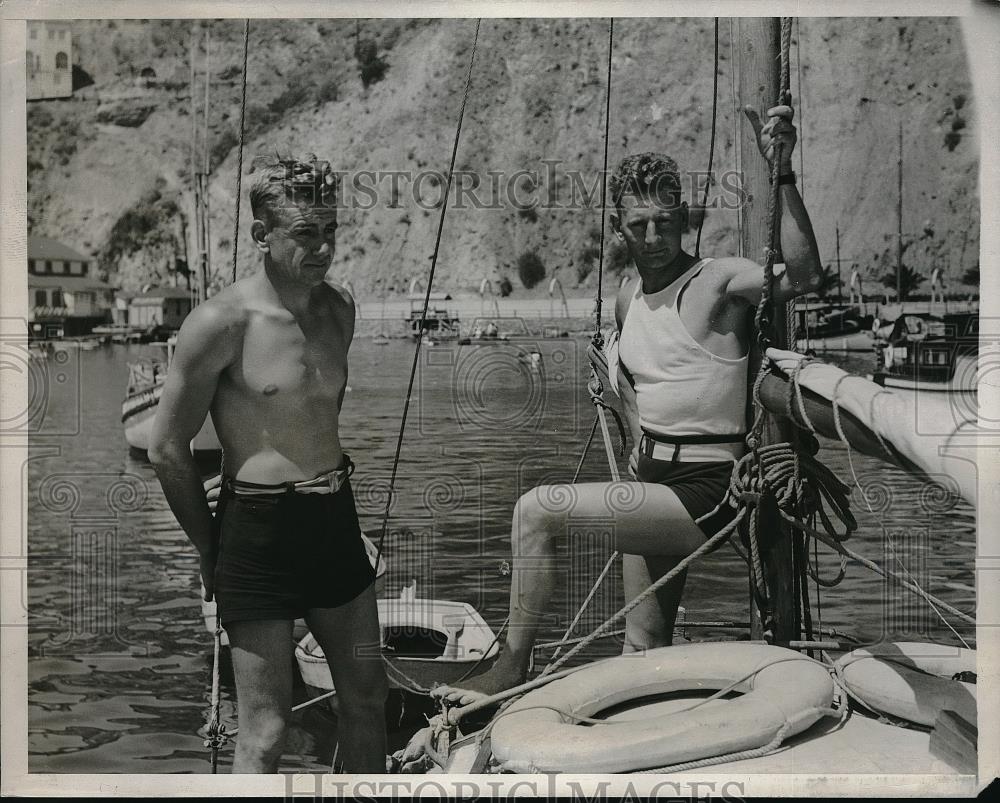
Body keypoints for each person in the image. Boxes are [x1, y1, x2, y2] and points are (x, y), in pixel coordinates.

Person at [432, 105, 823, 706]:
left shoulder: (718, 283)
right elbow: (647, 399)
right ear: (619, 227)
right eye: (638, 224)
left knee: (537, 513)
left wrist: (783, 170)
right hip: (652, 478)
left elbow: (802, 275)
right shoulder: (629, 297)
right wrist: (623, 407)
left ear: (684, 220)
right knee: (641, 649)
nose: (653, 237)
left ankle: (510, 668)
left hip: (709, 487)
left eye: (666, 222)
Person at [148, 154, 387, 773]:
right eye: (307, 233)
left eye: (331, 230)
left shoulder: (339, 310)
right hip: (256, 532)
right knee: (266, 730)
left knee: (367, 701)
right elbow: (167, 447)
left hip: (335, 521)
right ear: (262, 236)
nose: (325, 247)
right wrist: (209, 550)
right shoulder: (219, 323)